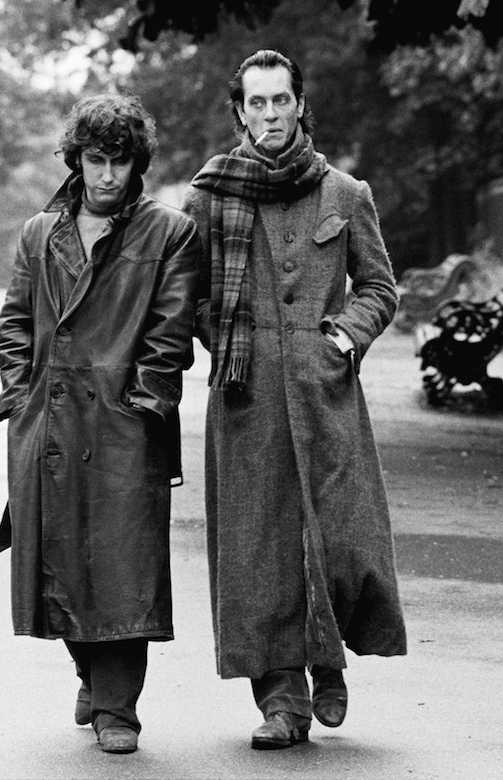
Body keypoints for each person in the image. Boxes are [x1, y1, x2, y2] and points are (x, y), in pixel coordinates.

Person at [183, 49, 407, 750]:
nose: (271, 114)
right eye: (258, 103)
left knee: (343, 539)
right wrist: (225, 338)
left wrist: (341, 339)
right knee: (259, 551)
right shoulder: (210, 197)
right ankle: (283, 700)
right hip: (245, 403)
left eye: (282, 100)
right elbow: (187, 297)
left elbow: (380, 288)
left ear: (301, 105)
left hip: (327, 396)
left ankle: (329, 653)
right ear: (239, 112)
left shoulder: (345, 193)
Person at [0, 92, 200, 754]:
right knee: (59, 561)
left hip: (124, 427)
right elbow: (15, 326)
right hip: (48, 426)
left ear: (136, 162)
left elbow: (170, 336)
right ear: (76, 159)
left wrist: (140, 407)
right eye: (94, 159)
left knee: (123, 568)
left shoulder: (168, 232)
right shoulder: (37, 233)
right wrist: (20, 397)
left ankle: (119, 708)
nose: (106, 174)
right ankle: (88, 668)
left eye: (118, 160)